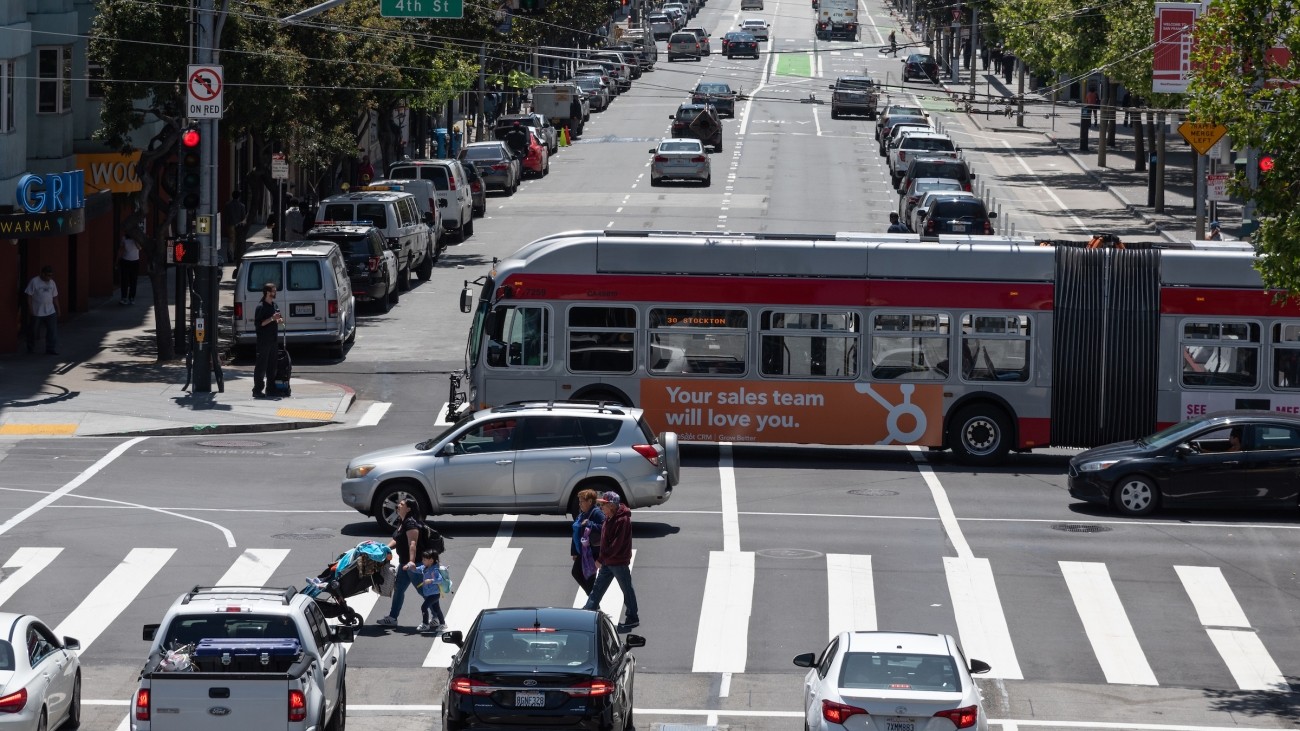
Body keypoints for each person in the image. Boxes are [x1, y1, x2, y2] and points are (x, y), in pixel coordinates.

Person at [582, 491, 639, 632]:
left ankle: (632, 618)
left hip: (618, 562)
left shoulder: (622, 520)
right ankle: (588, 611)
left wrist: (601, 559)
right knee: (597, 588)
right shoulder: (609, 517)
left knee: (626, 589)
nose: (601, 507)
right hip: (608, 561)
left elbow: (616, 544)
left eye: (604, 504)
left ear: (612, 506)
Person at [377, 498, 424, 627]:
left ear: (408, 508)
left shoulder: (411, 524)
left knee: (424, 591)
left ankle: (437, 617)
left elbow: (412, 544)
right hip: (404, 564)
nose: (398, 505)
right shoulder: (402, 522)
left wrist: (411, 562)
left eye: (402, 504)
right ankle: (393, 618)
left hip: (413, 565)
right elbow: (397, 540)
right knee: (398, 590)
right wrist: (385, 548)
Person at [570, 488, 605, 595]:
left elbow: (605, 527)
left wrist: (591, 524)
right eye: (579, 502)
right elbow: (575, 533)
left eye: (582, 502)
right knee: (576, 573)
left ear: (590, 501)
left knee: (589, 578)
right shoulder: (581, 514)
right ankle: (593, 601)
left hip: (592, 552)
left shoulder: (596, 513)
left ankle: (593, 604)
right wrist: (574, 552)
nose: (579, 504)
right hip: (582, 552)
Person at [252, 282, 283, 398]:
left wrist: (279, 320)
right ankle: (257, 389)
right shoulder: (261, 307)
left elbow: (278, 319)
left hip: (273, 340)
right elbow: (259, 324)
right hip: (263, 341)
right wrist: (271, 318)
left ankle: (271, 388)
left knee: (272, 366)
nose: (275, 293)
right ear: (267, 292)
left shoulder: (274, 305)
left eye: (275, 291)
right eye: (273, 291)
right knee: (261, 366)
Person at [24, 266, 59, 355]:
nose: (49, 277)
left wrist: (58, 308)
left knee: (52, 331)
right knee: (33, 331)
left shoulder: (52, 283)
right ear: (42, 274)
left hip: (50, 311)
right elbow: (29, 296)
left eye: (51, 275)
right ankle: (30, 348)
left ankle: (50, 348)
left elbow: (55, 297)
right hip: (37, 311)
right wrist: (30, 309)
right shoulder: (34, 281)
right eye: (47, 275)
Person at [414, 549, 447, 633]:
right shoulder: (425, 567)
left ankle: (425, 624)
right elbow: (417, 569)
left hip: (434, 594)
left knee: (424, 607)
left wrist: (431, 580)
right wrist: (410, 567)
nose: (422, 561)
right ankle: (442, 624)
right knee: (436, 609)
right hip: (431, 593)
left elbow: (439, 579)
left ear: (431, 560)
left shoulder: (434, 569)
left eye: (424, 559)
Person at [224, 191, 248, 263]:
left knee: (231, 241)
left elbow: (226, 216)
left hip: (230, 224)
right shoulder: (242, 206)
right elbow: (243, 217)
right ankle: (235, 255)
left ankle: (230, 255)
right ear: (239, 197)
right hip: (239, 225)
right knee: (238, 241)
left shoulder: (227, 205)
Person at [118, 233, 141, 305]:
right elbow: (121, 249)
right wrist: (117, 260)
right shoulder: (124, 238)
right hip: (125, 261)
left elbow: (139, 248)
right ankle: (124, 298)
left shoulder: (137, 238)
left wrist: (135, 240)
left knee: (133, 280)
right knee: (124, 280)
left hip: (135, 261)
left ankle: (132, 298)